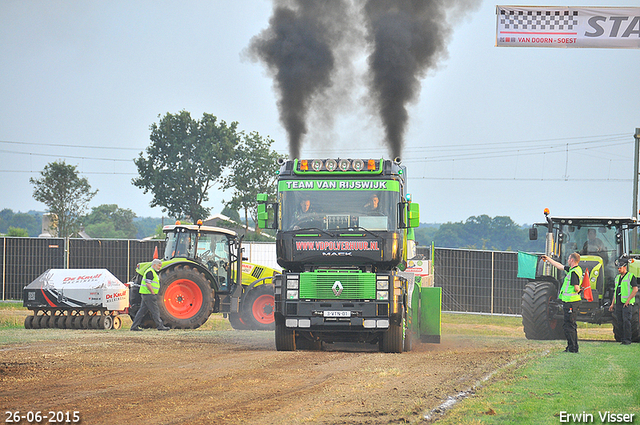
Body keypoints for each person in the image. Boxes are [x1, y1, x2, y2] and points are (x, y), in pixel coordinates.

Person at [542, 252, 582, 353]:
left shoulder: (574, 273)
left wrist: (579, 289)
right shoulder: (573, 270)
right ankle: (571, 346)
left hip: (571, 303)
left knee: (570, 325)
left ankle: (573, 348)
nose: (567, 260)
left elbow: (576, 287)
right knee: (567, 325)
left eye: (569, 259)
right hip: (569, 302)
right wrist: (548, 259)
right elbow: (559, 266)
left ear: (572, 260)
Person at [130, 258, 170, 331]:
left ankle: (134, 327)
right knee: (155, 311)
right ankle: (160, 326)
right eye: (158, 266)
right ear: (154, 265)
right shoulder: (150, 272)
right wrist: (152, 292)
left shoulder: (152, 272)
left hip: (146, 294)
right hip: (149, 294)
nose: (159, 268)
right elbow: (148, 284)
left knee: (142, 311)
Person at [608, 257, 638, 345]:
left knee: (626, 321)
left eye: (620, 267)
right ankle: (621, 339)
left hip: (627, 304)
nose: (619, 269)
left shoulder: (630, 276)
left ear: (625, 267)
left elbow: (635, 289)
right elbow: (615, 291)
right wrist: (612, 304)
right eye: (618, 268)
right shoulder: (617, 278)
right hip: (619, 303)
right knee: (619, 321)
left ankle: (627, 340)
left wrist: (628, 300)